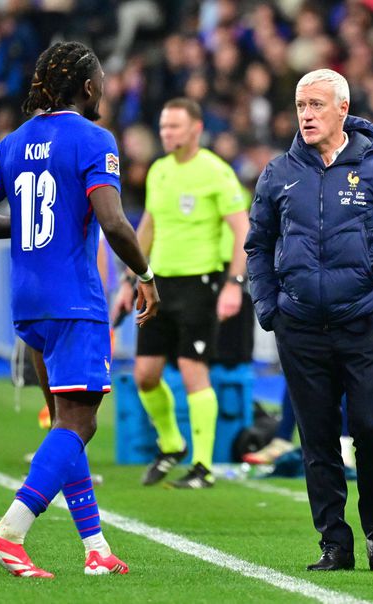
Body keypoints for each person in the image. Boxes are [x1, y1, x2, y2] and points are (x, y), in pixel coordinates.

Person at [0, 41, 159, 578]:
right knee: (79, 423)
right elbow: (113, 221)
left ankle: (96, 548)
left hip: (29, 303)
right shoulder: (95, 139)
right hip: (74, 299)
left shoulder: (12, 141)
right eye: (103, 82)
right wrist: (144, 275)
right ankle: (9, 533)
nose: (106, 90)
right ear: (88, 87)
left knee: (66, 428)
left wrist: (22, 227)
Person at [246, 69, 373, 571]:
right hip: (300, 328)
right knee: (317, 438)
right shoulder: (278, 173)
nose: (306, 115)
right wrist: (271, 310)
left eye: (316, 105)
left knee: (369, 428)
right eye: (300, 105)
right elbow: (258, 246)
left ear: (343, 110)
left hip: (366, 324)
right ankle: (334, 542)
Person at [112, 97, 249, 489]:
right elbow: (148, 227)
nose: (166, 133)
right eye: (163, 126)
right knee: (145, 375)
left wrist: (235, 284)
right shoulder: (159, 171)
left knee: (193, 371)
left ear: (196, 129)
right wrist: (129, 280)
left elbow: (242, 230)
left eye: (174, 126)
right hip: (158, 284)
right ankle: (171, 443)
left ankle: (202, 466)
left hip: (200, 283)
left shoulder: (216, 172)